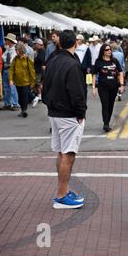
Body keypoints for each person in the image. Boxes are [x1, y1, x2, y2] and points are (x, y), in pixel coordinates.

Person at [42, 30, 87, 210]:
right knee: (68, 154)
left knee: (61, 152)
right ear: (75, 43)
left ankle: (63, 191)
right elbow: (77, 93)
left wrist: (50, 105)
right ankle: (61, 195)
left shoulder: (52, 60)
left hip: (54, 112)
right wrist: (81, 113)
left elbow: (44, 88)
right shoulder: (72, 64)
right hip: (68, 115)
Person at [91, 43, 124, 132]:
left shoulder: (115, 61)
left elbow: (120, 72)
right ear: (103, 51)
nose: (109, 51)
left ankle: (107, 121)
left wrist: (121, 85)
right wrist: (94, 87)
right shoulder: (98, 62)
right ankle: (106, 124)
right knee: (105, 105)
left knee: (111, 105)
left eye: (110, 49)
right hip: (103, 87)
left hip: (114, 87)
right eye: (107, 49)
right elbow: (94, 75)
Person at [9, 43, 35, 118]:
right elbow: (11, 70)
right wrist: (11, 79)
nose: (15, 51)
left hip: (26, 82)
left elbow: (32, 71)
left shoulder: (27, 59)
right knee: (20, 97)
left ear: (20, 50)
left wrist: (33, 82)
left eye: (16, 50)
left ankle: (24, 110)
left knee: (24, 96)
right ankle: (22, 109)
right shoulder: (15, 59)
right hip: (17, 82)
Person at [0, 33, 20, 111]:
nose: (5, 41)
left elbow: (11, 61)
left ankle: (15, 104)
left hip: (10, 69)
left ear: (9, 41)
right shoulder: (8, 49)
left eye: (7, 40)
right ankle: (7, 103)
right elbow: (3, 57)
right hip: (6, 69)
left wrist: (4, 59)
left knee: (12, 87)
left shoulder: (14, 50)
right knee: (6, 87)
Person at [32, 38, 46, 107]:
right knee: (36, 83)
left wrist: (35, 59)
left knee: (38, 83)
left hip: (39, 70)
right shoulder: (37, 51)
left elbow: (41, 59)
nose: (34, 45)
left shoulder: (41, 51)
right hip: (37, 69)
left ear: (38, 44)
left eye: (35, 44)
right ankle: (40, 95)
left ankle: (41, 95)